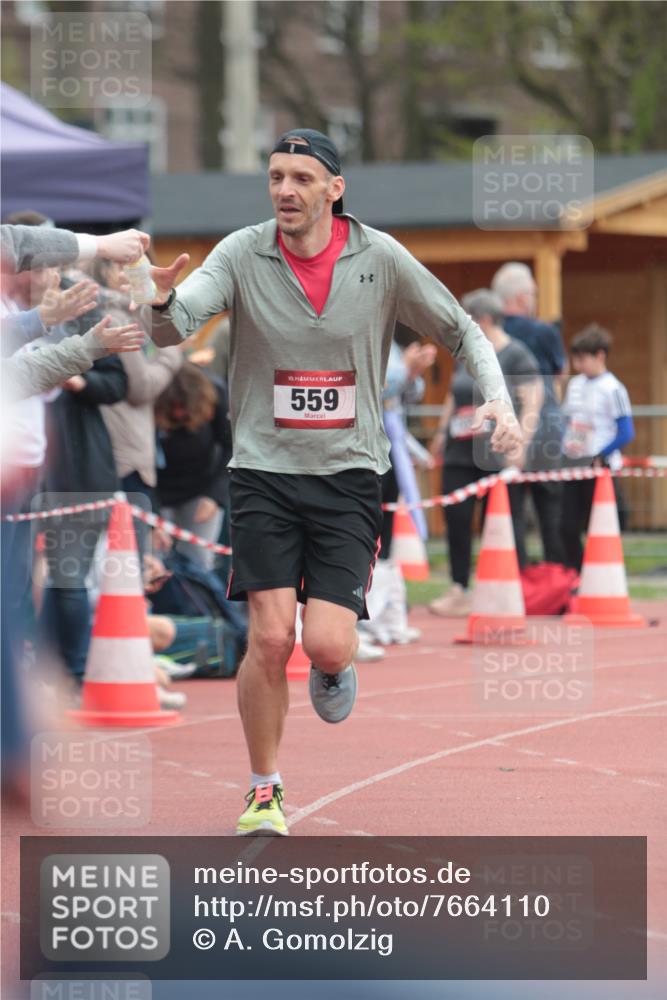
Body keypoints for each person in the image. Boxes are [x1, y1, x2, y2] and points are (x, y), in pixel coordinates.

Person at [143, 128, 521, 836]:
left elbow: (462, 329)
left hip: (348, 474)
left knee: (322, 643)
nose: (285, 190)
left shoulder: (378, 257)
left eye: (302, 178)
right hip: (261, 471)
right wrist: (159, 302)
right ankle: (264, 790)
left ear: (334, 189)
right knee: (268, 637)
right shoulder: (241, 252)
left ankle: (335, 660)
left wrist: (495, 397)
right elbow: (171, 332)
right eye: (276, 176)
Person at [429, 289, 543, 617]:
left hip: (496, 453)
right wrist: (440, 432)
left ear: (485, 318)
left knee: (505, 521)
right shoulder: (466, 353)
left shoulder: (517, 355)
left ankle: (512, 588)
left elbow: (533, 400)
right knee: (457, 519)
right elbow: (454, 395)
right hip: (459, 451)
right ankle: (458, 588)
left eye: (468, 318)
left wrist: (522, 441)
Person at [491, 261, 567, 564]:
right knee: (550, 509)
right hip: (544, 428)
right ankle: (555, 577)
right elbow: (559, 377)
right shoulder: (544, 332)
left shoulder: (491, 334)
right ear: (522, 297)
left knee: (511, 512)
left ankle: (517, 578)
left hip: (504, 429)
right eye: (533, 293)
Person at [560, 324, 634, 571]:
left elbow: (626, 431)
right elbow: (570, 422)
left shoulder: (613, 388)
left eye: (584, 359)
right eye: (576, 359)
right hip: (576, 465)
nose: (579, 364)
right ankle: (578, 574)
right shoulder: (576, 385)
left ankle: (601, 575)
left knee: (600, 527)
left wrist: (601, 454)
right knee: (567, 526)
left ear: (600, 355)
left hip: (600, 469)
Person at [154, 362, 232, 571]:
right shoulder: (151, 392)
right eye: (174, 408)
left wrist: (215, 496)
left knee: (198, 562)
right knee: (154, 563)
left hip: (201, 488)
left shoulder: (214, 393)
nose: (179, 414)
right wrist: (152, 517)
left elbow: (233, 448)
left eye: (184, 409)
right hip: (157, 491)